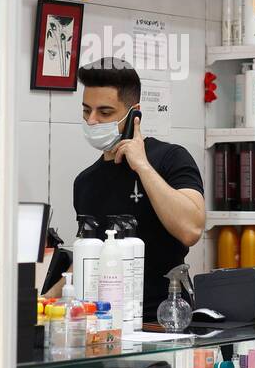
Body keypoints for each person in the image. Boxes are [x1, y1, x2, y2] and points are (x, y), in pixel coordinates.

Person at [71, 59, 205, 318]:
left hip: (165, 320)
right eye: (87, 110)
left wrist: (143, 167)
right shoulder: (85, 182)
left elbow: (191, 229)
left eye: (105, 112)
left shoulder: (170, 158)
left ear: (134, 114)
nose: (92, 120)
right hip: (105, 323)